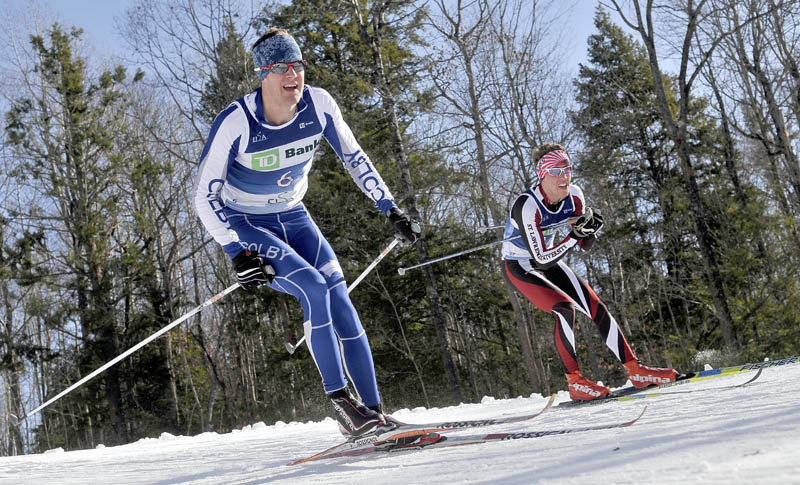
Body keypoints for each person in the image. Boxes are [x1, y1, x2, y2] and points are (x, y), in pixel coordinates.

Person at [193, 28, 420, 435]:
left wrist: (391, 208)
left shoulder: (319, 104)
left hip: (295, 215)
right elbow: (203, 196)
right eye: (281, 67)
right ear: (263, 74)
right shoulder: (237, 122)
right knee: (314, 288)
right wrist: (235, 252)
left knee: (339, 296)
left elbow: (354, 156)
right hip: (248, 223)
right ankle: (342, 405)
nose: (292, 75)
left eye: (297, 65)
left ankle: (373, 411)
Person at [501, 143, 677, 400]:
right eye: (557, 171)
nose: (565, 176)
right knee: (564, 309)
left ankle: (635, 370)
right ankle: (575, 382)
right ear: (543, 174)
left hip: (550, 259)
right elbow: (541, 257)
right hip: (521, 265)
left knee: (595, 306)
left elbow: (585, 246)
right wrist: (574, 235)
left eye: (567, 169)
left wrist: (589, 228)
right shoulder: (526, 206)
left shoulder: (575, 196)